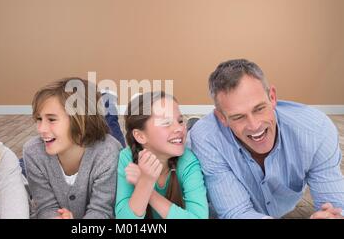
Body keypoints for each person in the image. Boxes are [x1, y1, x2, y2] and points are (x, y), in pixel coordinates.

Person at [188, 59, 344, 219]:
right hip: (213, 204)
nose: (254, 125)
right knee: (187, 144)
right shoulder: (207, 138)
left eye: (259, 109)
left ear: (272, 97)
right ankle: (191, 125)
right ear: (222, 117)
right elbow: (236, 212)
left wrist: (331, 216)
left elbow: (335, 206)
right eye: (238, 117)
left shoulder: (316, 130)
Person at [23, 78, 122, 219]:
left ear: (80, 121)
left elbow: (102, 210)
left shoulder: (109, 152)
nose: (41, 129)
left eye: (51, 119)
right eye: (39, 119)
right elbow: (45, 207)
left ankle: (108, 102)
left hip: (99, 142)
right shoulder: (33, 151)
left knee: (113, 131)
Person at [115, 91, 208, 219]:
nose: (180, 129)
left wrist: (147, 187)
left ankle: (194, 125)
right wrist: (146, 182)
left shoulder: (188, 160)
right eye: (166, 123)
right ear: (140, 136)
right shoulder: (127, 159)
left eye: (180, 121)